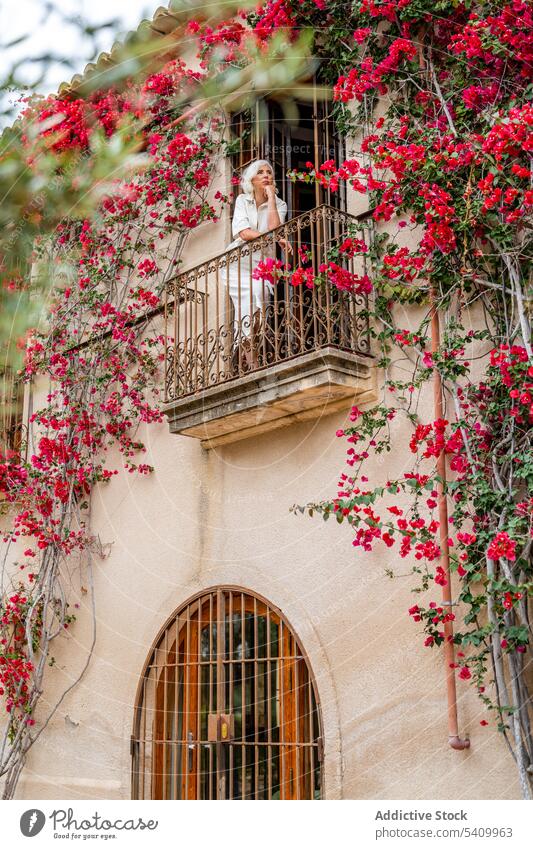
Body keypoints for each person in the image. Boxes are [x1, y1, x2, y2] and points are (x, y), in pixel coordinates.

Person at [226, 160, 292, 367]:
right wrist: (274, 238)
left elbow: (274, 228)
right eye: (260, 172)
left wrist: (271, 197)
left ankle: (251, 358)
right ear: (251, 179)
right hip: (239, 262)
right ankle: (252, 363)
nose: (266, 175)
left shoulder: (280, 204)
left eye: (269, 172)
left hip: (262, 263)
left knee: (261, 301)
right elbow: (243, 232)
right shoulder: (242, 200)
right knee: (245, 309)